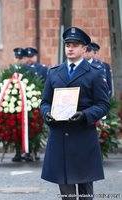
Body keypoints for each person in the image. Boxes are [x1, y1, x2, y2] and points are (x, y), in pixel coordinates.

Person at [40, 27, 110, 200]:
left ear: (84, 49)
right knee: (67, 194)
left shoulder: (94, 73)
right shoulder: (54, 72)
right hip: (60, 136)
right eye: (68, 45)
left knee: (86, 192)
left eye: (75, 45)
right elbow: (45, 102)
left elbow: (102, 104)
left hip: (82, 137)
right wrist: (47, 113)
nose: (70, 48)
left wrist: (85, 115)